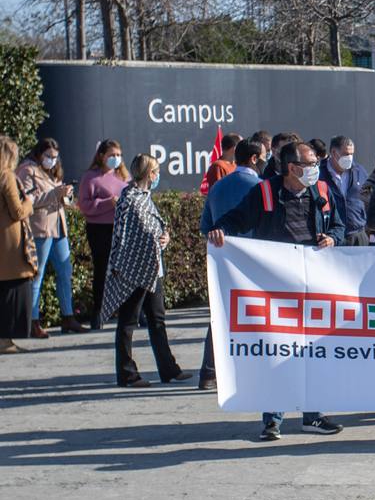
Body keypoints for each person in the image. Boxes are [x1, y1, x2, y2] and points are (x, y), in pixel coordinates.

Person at [207, 141, 345, 440]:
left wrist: (332, 238)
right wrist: (220, 231)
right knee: (277, 349)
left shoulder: (321, 191)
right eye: (310, 164)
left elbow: (340, 226)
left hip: (312, 284)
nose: (316, 168)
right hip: (275, 286)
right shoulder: (265, 192)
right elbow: (236, 219)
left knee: (313, 350)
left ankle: (313, 416)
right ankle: (272, 419)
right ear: (293, 168)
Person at [101, 154, 192, 388]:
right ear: (149, 173)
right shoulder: (129, 199)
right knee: (128, 322)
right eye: (156, 171)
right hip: (134, 269)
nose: (158, 175)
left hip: (153, 268)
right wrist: (154, 239)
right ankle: (127, 374)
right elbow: (128, 235)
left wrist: (165, 237)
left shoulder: (144, 197)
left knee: (157, 319)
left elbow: (154, 226)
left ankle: (168, 369)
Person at [197, 138, 266, 390]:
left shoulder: (217, 187)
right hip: (254, 260)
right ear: (255, 158)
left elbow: (206, 226)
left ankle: (208, 372)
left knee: (221, 315)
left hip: (223, 260)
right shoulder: (261, 187)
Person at [17, 139, 82, 336]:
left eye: (55, 157)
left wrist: (65, 196)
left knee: (65, 272)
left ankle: (68, 316)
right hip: (40, 228)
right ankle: (32, 321)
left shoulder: (53, 172)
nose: (52, 160)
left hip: (58, 228)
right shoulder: (27, 170)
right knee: (38, 275)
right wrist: (55, 193)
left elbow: (57, 197)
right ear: (39, 154)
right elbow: (27, 200)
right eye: (48, 156)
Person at [77, 139, 129, 329]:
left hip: (120, 227)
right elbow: (84, 205)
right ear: (101, 156)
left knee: (122, 270)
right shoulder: (91, 177)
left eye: (118, 155)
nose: (116, 159)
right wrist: (108, 202)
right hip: (99, 229)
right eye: (111, 155)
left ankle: (122, 309)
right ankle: (98, 312)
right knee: (102, 270)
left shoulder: (123, 176)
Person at [0, 136, 37, 355]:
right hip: (11, 244)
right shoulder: (6, 177)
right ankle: (6, 340)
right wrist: (30, 203)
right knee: (14, 292)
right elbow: (18, 211)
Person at [320, 136, 369, 246]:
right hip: (330, 236)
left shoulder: (359, 171)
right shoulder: (319, 174)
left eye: (352, 154)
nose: (350, 158)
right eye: (346, 154)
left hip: (357, 234)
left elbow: (368, 198)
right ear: (333, 152)